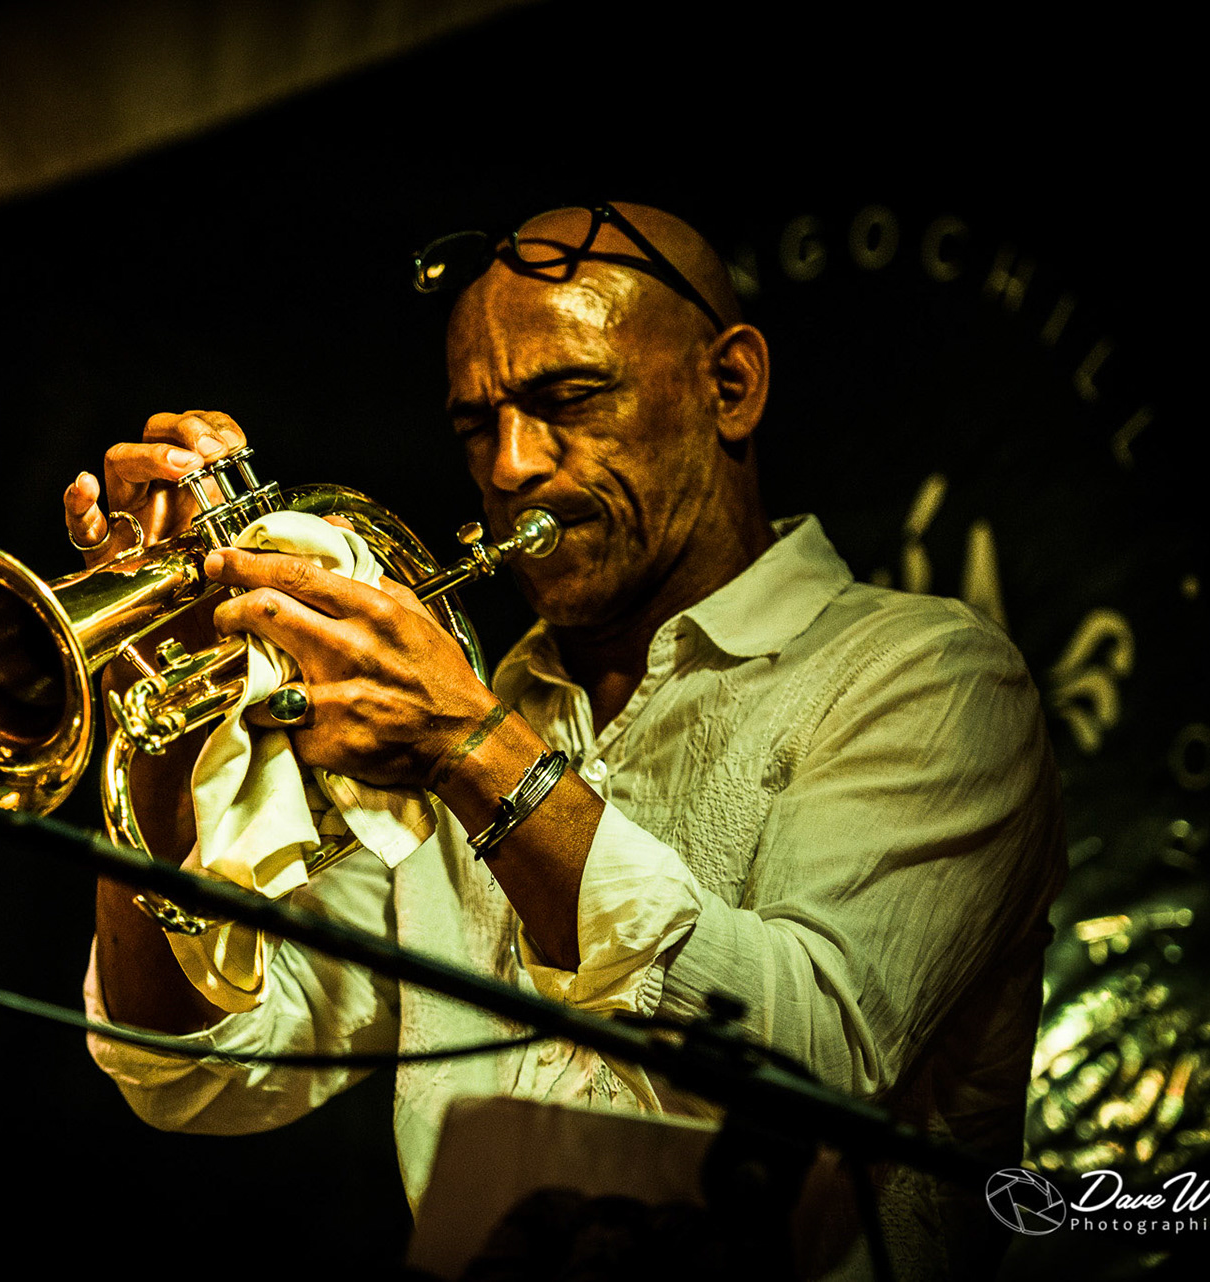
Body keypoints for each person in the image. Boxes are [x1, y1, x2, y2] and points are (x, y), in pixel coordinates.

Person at [65, 202, 1066, 1277]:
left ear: (731, 387)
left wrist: (469, 744)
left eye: (569, 399)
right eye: (474, 425)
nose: (509, 466)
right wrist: (156, 715)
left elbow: (808, 1062)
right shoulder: (473, 710)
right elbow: (200, 1069)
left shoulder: (933, 678)